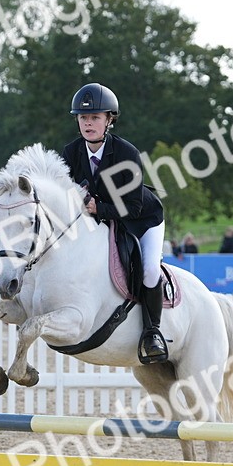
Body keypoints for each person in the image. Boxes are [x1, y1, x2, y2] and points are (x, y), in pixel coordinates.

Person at [62, 82, 169, 364]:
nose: (88, 123)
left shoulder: (126, 154)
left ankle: (152, 332)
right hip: (101, 221)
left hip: (142, 220)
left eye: (95, 117)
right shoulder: (70, 154)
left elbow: (132, 206)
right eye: (83, 118)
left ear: (109, 120)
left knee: (148, 270)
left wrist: (99, 207)